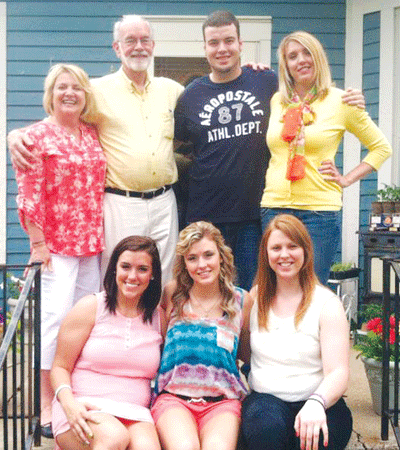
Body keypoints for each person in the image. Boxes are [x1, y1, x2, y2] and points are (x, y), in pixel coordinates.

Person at [174, 11, 366, 292]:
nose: (222, 48)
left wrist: (352, 98)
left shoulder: (267, 82)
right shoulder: (191, 95)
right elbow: (177, 147)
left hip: (255, 215)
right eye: (214, 43)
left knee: (255, 293)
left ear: (241, 44)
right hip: (206, 214)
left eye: (229, 40)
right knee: (207, 291)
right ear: (205, 48)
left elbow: (309, 91)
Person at [9, 15, 184, 285]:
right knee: (118, 278)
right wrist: (16, 135)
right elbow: (62, 116)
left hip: (164, 202)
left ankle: (154, 328)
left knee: (163, 275)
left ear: (152, 45)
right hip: (121, 202)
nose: (138, 46)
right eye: (130, 41)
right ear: (117, 48)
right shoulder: (96, 90)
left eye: (144, 40)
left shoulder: (172, 91)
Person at [12, 63, 107, 437]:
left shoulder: (92, 133)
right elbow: (28, 195)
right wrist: (37, 243)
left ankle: (75, 393)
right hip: (56, 248)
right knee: (53, 324)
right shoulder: (35, 137)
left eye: (77, 88)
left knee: (84, 323)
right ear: (50, 94)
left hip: (91, 245)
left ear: (86, 95)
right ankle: (47, 406)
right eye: (62, 87)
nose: (70, 93)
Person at [260, 31, 392, 285]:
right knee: (277, 287)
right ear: (285, 65)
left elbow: (381, 147)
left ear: (318, 57)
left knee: (312, 287)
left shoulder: (341, 100)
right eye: (292, 56)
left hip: (319, 212)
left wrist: (346, 179)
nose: (301, 60)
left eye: (307, 52)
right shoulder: (278, 101)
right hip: (274, 207)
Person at [241, 214, 353, 450]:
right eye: (276, 247)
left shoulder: (327, 304)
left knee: (316, 440)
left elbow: (339, 372)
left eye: (293, 246)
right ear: (266, 254)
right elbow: (243, 353)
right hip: (266, 402)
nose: (284, 255)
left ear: (306, 251)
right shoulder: (253, 299)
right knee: (266, 431)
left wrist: (317, 403)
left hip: (320, 401)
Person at [50, 236, 163, 450]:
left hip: (135, 412)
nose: (132, 276)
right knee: (113, 437)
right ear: (114, 269)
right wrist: (69, 404)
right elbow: (60, 367)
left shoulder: (159, 318)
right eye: (125, 266)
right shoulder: (90, 307)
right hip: (82, 403)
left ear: (153, 274)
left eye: (142, 269)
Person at [151, 221, 252, 450]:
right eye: (192, 258)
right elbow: (162, 345)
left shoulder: (241, 301)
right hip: (174, 399)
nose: (202, 264)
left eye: (208, 255)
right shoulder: (172, 294)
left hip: (222, 403)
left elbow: (245, 354)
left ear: (221, 257)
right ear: (184, 263)